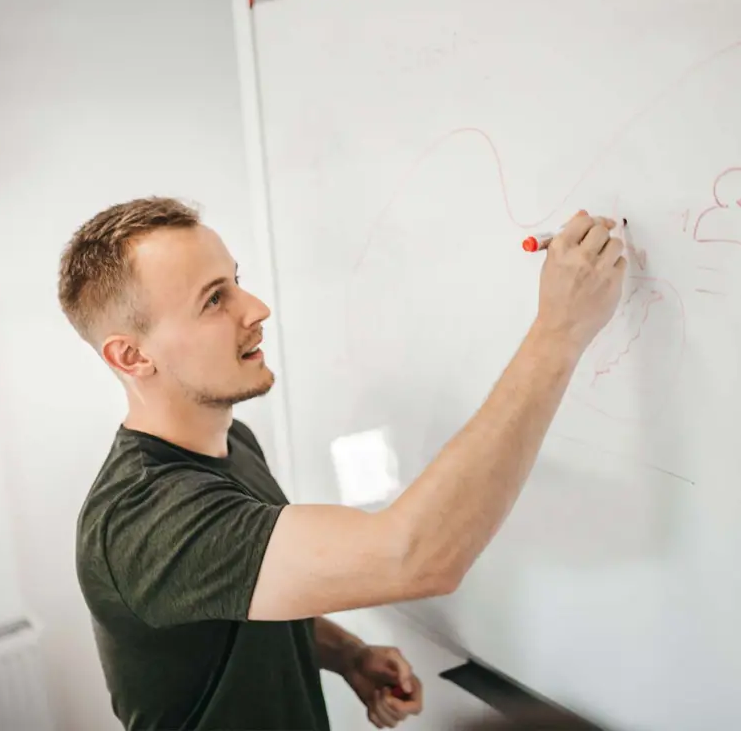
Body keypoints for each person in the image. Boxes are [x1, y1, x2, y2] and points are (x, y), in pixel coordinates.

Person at [57, 197, 625, 731]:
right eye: (213, 299)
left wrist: (347, 654)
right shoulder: (147, 519)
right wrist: (560, 331)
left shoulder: (231, 442)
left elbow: (244, 593)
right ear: (132, 356)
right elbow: (415, 557)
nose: (256, 309)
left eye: (237, 281)